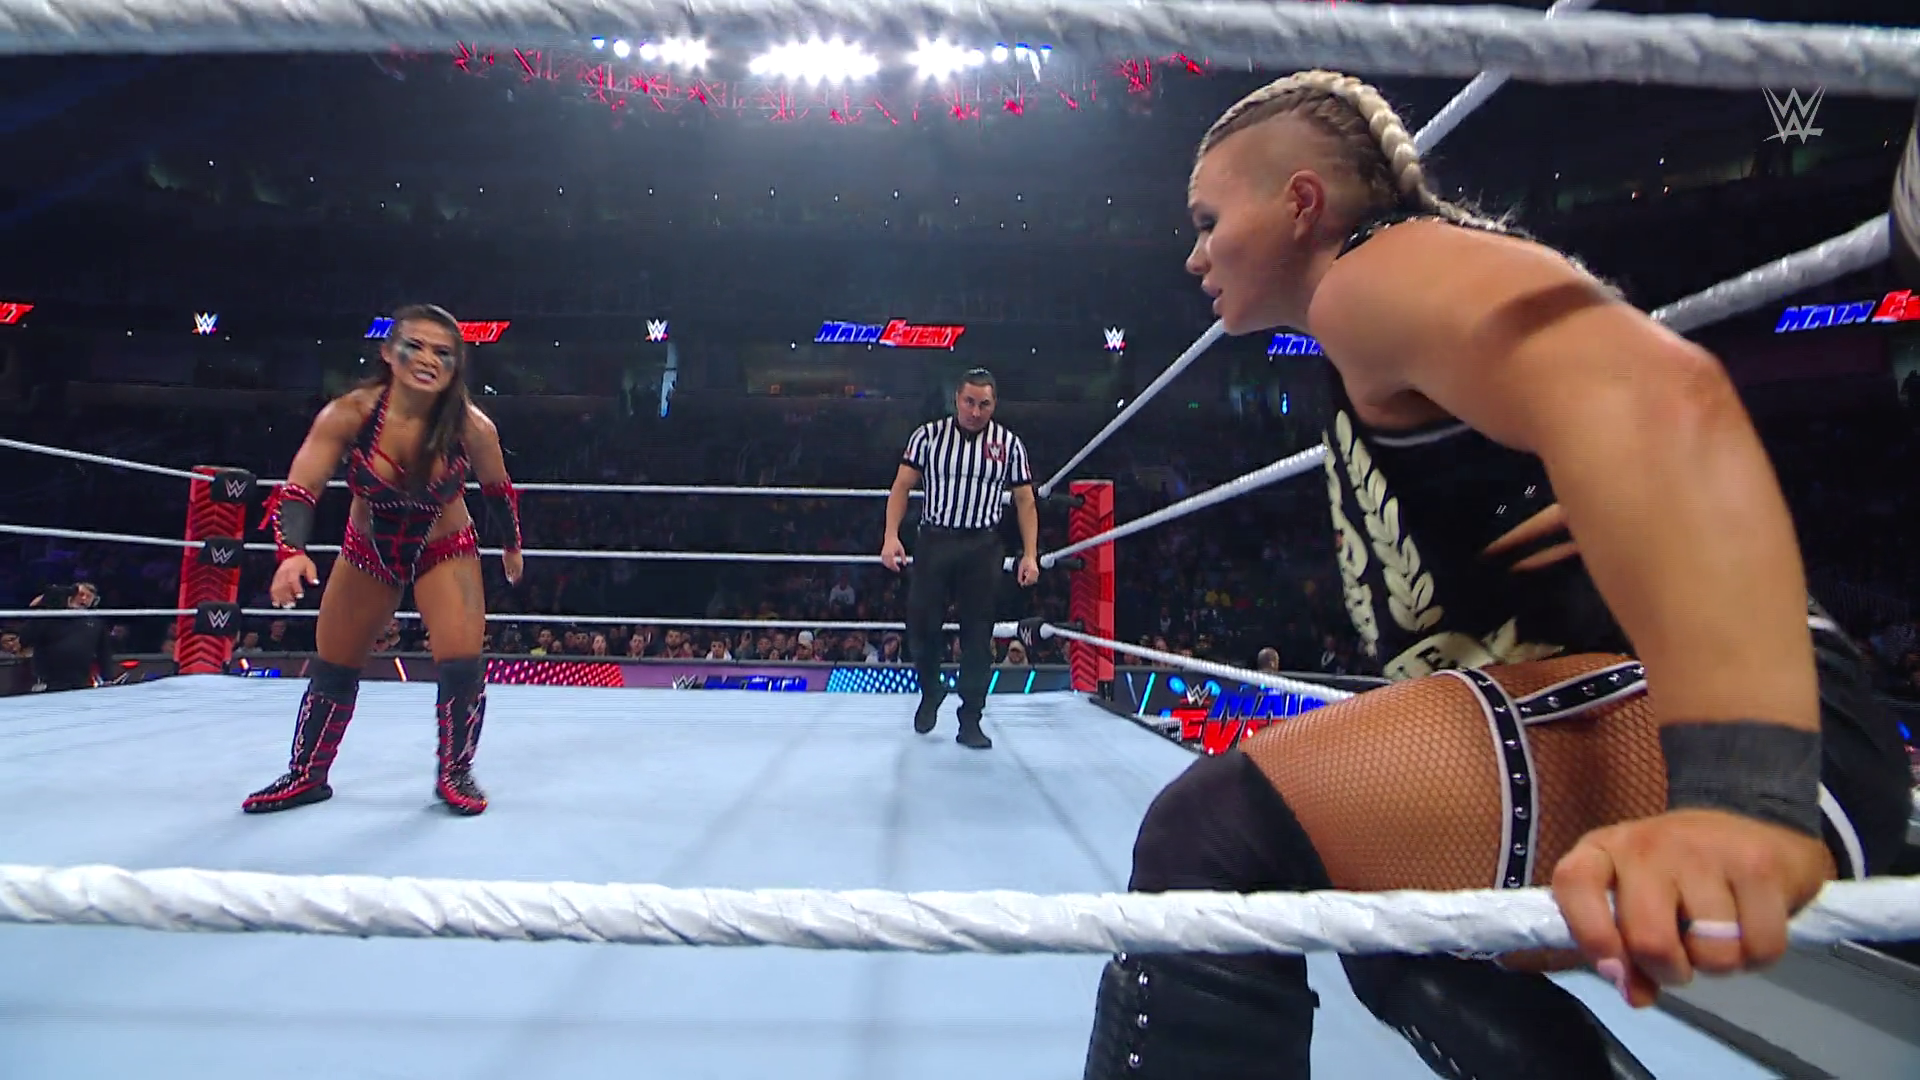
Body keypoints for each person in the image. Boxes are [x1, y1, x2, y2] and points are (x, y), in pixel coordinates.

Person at [1081, 71, 1914, 1079]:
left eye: (1210, 221)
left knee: (1213, 834)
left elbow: (1658, 392)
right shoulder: (1373, 314)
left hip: (1767, 737)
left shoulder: (1372, 276)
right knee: (1386, 912)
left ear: (1302, 202)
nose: (1195, 254)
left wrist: (1743, 794)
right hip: (1706, 718)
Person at [242, 304, 525, 817]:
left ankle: (455, 771)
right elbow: (300, 488)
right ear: (389, 353)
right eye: (415, 346)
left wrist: (511, 546)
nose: (428, 359)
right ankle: (307, 774)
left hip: (444, 546)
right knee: (334, 662)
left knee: (461, 662)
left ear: (457, 366)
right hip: (369, 547)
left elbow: (497, 490)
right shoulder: (350, 414)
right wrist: (291, 555)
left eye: (443, 352)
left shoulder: (472, 426)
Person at [881, 368, 1040, 750]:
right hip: (935, 540)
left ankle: (971, 719)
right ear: (957, 399)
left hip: (982, 546)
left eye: (984, 404)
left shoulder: (1009, 444)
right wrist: (891, 536)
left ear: (994, 405)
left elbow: (1025, 500)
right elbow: (901, 486)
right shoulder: (927, 436)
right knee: (921, 625)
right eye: (969, 402)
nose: (975, 411)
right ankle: (931, 691)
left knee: (978, 635)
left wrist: (1031, 554)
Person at [22, 582, 112, 692]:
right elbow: (26, 639)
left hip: (80, 681)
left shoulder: (96, 623)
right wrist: (38, 609)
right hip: (48, 681)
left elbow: (104, 652)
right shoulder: (49, 617)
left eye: (88, 596)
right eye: (80, 594)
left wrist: (107, 677)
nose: (83, 599)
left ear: (94, 601)